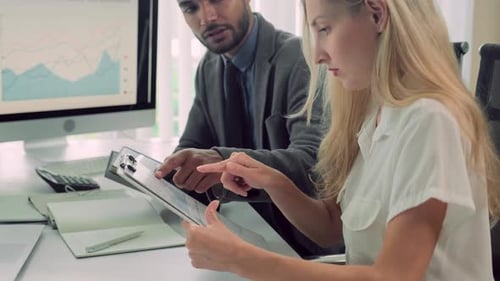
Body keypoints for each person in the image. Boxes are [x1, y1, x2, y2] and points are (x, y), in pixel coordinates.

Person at [182, 0, 500, 280]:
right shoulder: (373, 112)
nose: (317, 55)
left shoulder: (430, 121)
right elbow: (331, 226)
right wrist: (273, 181)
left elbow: (395, 277)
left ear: (377, 14)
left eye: (324, 29)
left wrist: (242, 260)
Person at [155, 0, 330, 257]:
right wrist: (169, 173)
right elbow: (193, 147)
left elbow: (313, 165)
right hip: (246, 233)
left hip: (302, 246)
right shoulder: (211, 66)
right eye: (191, 8)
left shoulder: (301, 59)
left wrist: (225, 161)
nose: (207, 17)